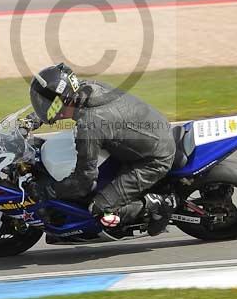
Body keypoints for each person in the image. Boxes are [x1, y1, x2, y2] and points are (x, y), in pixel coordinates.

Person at [27, 63, 176, 236]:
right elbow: (57, 101)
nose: (43, 108)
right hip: (149, 135)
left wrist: (51, 190)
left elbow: (84, 181)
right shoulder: (85, 89)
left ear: (62, 100)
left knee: (98, 209)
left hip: (153, 160)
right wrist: (30, 121)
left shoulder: (90, 124)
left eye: (46, 104)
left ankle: (157, 205)